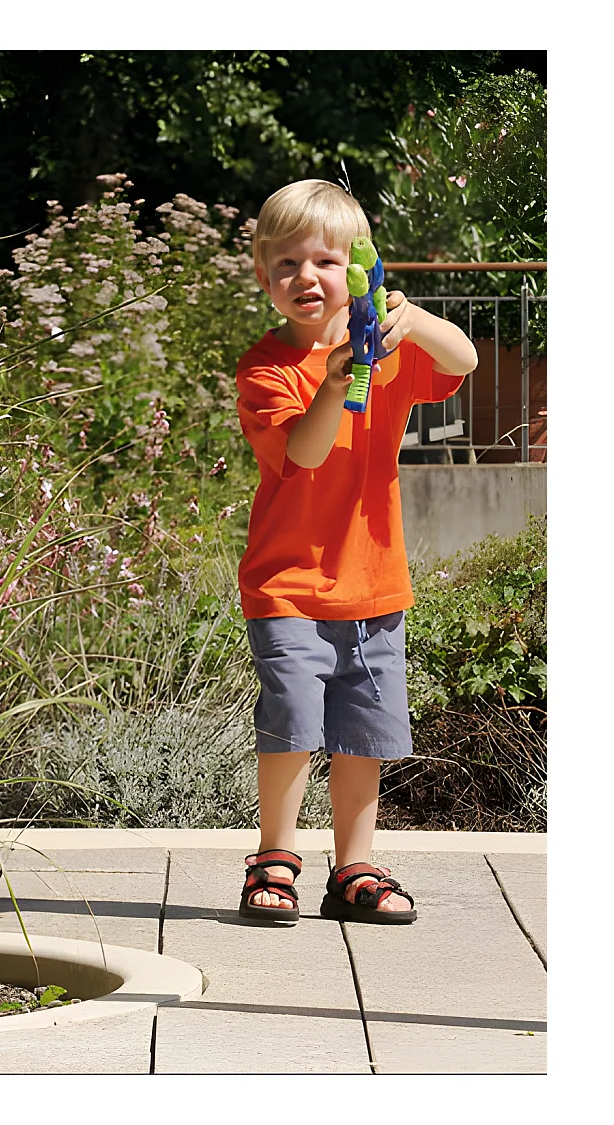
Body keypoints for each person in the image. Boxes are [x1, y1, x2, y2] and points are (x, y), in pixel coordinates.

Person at [234, 179, 478, 925]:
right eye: (286, 265)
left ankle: (355, 867)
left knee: (361, 734)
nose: (305, 277)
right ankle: (273, 858)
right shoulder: (266, 367)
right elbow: (303, 452)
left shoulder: (393, 350)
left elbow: (463, 359)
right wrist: (334, 383)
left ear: (361, 270)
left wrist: (412, 315)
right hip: (289, 585)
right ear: (263, 277)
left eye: (326, 262)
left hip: (373, 584)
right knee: (293, 722)